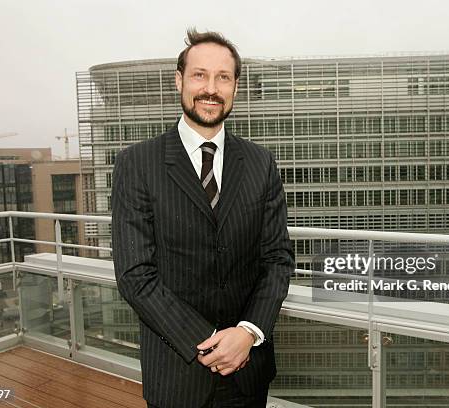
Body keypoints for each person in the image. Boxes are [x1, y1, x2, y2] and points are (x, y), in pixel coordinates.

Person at [111, 28, 295, 408]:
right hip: (177, 375)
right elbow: (135, 274)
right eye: (200, 75)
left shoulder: (261, 164)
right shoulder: (137, 164)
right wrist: (211, 342)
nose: (210, 88)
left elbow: (277, 260)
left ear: (235, 87)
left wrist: (247, 333)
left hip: (248, 372)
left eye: (222, 77)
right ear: (179, 80)